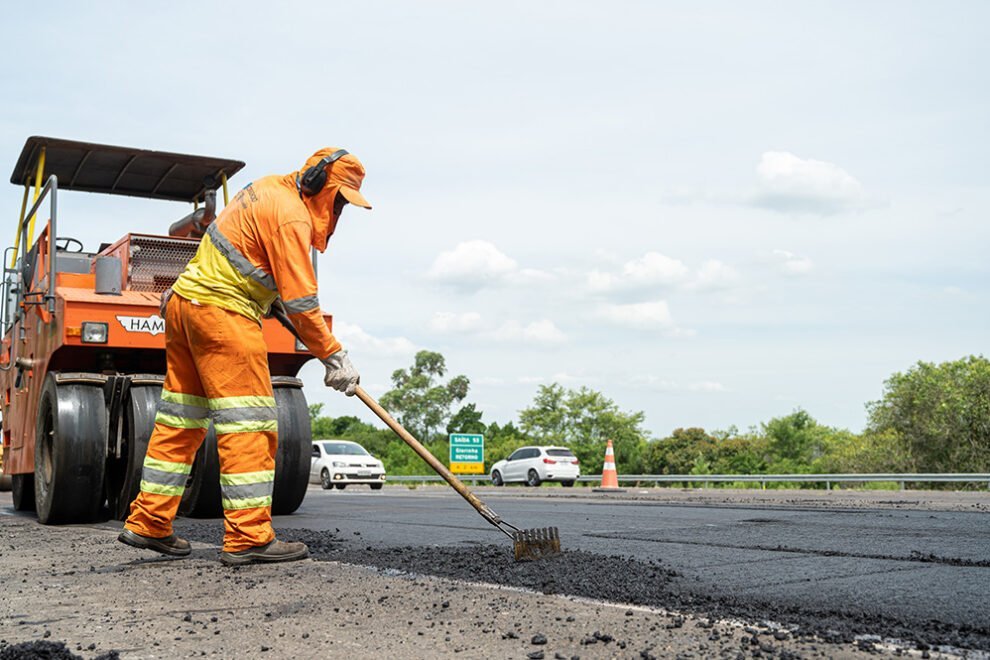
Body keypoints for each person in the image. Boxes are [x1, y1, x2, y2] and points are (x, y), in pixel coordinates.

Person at [118, 147, 370, 565]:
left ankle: (149, 522)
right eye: (340, 198)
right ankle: (249, 536)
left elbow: (244, 256)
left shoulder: (266, 188)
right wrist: (334, 356)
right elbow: (303, 303)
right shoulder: (292, 214)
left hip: (185, 305)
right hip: (222, 313)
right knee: (248, 423)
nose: (340, 208)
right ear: (317, 182)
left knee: (181, 422)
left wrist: (265, 296)